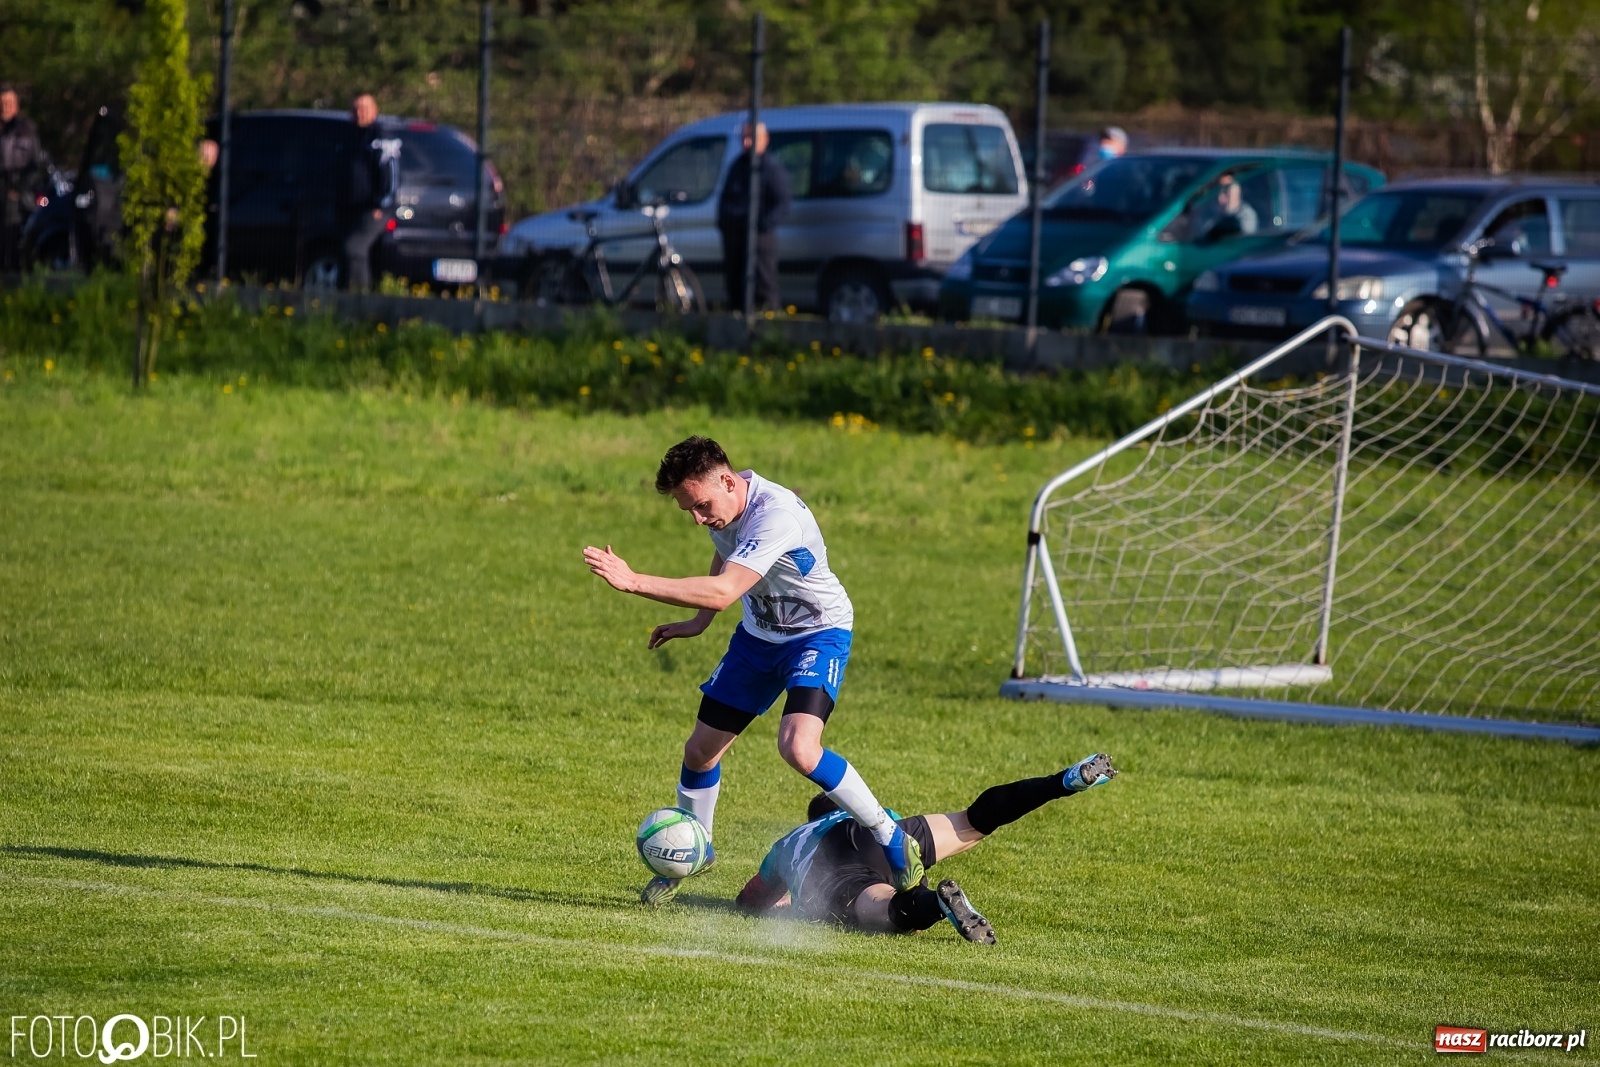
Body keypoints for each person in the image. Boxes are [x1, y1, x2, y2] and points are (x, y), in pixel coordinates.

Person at [584, 436, 922, 905]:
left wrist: (634, 580)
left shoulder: (775, 515)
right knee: (700, 751)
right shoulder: (724, 504)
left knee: (799, 748)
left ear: (727, 480)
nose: (699, 518)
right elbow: (727, 551)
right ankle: (696, 850)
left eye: (701, 506)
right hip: (760, 638)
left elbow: (724, 589)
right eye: (689, 512)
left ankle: (889, 835)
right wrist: (698, 623)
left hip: (817, 633)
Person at [735, 754, 1119, 941]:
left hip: (838, 863)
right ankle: (1063, 781)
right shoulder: (876, 812)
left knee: (883, 906)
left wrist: (785, 904)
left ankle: (936, 902)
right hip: (885, 831)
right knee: (974, 821)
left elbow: (750, 900)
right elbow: (901, 854)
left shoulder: (791, 843)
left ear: (810, 818)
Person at [716, 122, 790, 312]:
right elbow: (725, 199)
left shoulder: (771, 169)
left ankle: (767, 323)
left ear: (765, 140)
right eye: (744, 138)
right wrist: (725, 223)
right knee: (735, 284)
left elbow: (781, 205)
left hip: (760, 240)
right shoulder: (737, 166)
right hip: (734, 237)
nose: (747, 143)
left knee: (763, 284)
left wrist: (760, 225)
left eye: (752, 138)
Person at [342, 93, 398, 292]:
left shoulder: (381, 139)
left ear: (375, 111)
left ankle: (359, 296)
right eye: (356, 109)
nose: (360, 113)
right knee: (352, 250)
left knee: (354, 248)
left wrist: (380, 206)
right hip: (353, 207)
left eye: (364, 109)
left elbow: (391, 177)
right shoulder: (350, 137)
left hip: (374, 208)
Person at [0, 85, 48, 273]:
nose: (5, 107)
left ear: (16, 105)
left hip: (22, 196)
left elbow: (37, 167)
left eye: (9, 103)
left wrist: (18, 190)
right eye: (2, 103)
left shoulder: (27, 131)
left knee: (16, 240)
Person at [1195, 173, 1258, 240]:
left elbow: (1237, 242)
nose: (1219, 198)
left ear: (1237, 191)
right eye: (1216, 192)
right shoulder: (1206, 213)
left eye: (1225, 191)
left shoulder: (1247, 216)